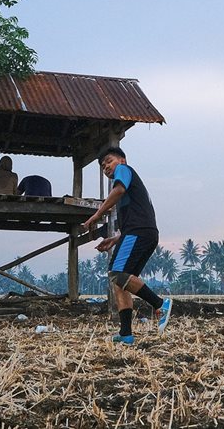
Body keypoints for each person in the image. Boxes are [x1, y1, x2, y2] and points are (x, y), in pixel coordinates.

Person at [83, 147, 173, 345]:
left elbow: (119, 189)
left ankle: (160, 304)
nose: (106, 167)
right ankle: (126, 334)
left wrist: (97, 215)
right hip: (142, 232)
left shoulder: (124, 171)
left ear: (122, 160)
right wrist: (115, 239)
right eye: (102, 166)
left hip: (139, 232)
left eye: (108, 161)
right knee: (120, 282)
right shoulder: (126, 193)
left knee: (117, 273)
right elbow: (135, 216)